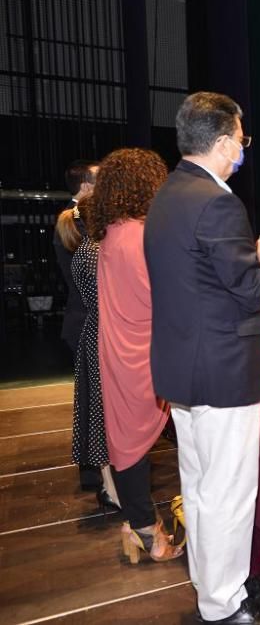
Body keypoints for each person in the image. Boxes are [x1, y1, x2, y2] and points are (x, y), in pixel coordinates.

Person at [144, 92, 260, 625]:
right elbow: (248, 293)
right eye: (242, 140)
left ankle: (212, 586)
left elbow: (203, 282)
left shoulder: (169, 193)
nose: (244, 150)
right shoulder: (217, 202)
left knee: (199, 486)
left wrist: (254, 262)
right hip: (221, 371)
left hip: (185, 370)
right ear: (221, 144)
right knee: (229, 493)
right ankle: (225, 606)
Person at [90, 148, 183, 564]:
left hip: (118, 346)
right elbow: (164, 298)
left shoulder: (110, 232)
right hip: (144, 349)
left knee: (127, 441)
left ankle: (138, 524)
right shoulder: (142, 235)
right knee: (137, 444)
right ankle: (147, 530)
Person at [57, 194, 118, 509]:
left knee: (102, 412)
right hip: (104, 335)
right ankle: (110, 488)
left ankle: (111, 487)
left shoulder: (88, 250)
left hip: (99, 334)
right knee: (104, 414)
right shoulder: (95, 252)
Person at [54, 161, 102, 492]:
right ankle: (95, 471)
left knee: (92, 399)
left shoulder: (78, 222)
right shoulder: (77, 224)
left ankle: (97, 468)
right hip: (87, 321)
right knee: (93, 401)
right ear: (85, 187)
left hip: (83, 319)